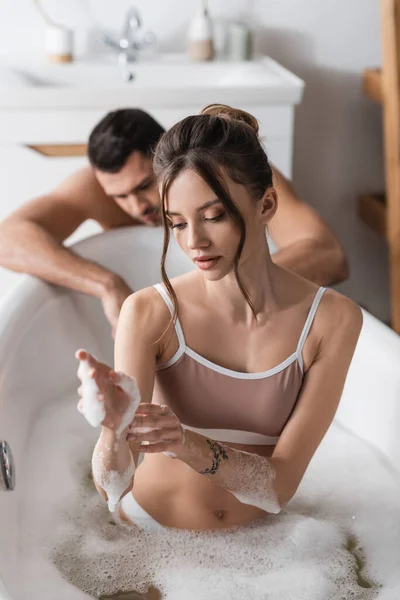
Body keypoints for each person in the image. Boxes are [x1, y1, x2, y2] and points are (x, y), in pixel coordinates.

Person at [76, 105, 362, 531]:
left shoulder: (331, 321)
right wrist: (113, 432)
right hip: (147, 541)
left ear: (266, 205)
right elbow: (111, 486)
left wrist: (186, 443)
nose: (195, 242)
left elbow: (278, 487)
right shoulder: (150, 312)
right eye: (176, 224)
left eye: (214, 216)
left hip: (262, 549)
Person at [0, 109, 348, 337]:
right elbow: (8, 238)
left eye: (142, 186)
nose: (136, 207)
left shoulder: (232, 175)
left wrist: (216, 292)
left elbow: (328, 254)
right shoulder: (95, 189)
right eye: (118, 196)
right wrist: (106, 285)